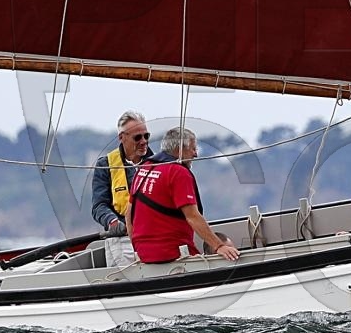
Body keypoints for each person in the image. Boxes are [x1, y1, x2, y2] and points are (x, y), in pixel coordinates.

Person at [129, 127, 240, 264]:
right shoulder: (178, 172)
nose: (195, 154)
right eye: (193, 149)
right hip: (171, 253)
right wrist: (219, 246)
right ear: (180, 149)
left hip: (143, 255)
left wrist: (137, 248)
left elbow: (129, 213)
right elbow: (192, 216)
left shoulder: (143, 168)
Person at [91, 110, 162, 236]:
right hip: (123, 237)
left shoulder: (160, 164)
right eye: (137, 137)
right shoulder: (105, 165)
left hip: (155, 233)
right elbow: (99, 206)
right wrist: (112, 221)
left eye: (146, 136)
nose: (143, 141)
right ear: (121, 137)